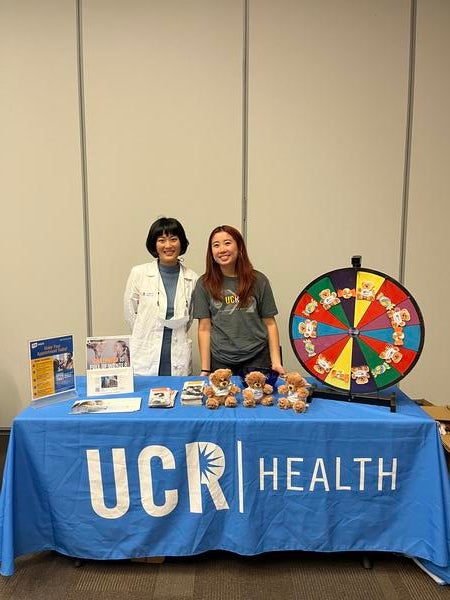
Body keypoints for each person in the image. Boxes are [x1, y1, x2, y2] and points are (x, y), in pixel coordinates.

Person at [193, 225, 285, 377]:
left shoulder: (258, 280)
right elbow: (204, 328)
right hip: (221, 358)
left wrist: (276, 362)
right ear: (211, 252)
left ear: (239, 246)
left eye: (227, 243)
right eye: (216, 245)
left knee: (257, 399)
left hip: (257, 356)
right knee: (224, 399)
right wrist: (205, 369)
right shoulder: (204, 283)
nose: (222, 249)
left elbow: (270, 323)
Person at [124, 217, 198, 376]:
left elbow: (190, 317)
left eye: (173, 239)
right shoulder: (139, 273)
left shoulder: (192, 278)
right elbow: (130, 313)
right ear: (154, 244)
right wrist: (145, 331)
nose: (168, 245)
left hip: (177, 352)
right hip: (145, 354)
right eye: (162, 240)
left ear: (181, 243)